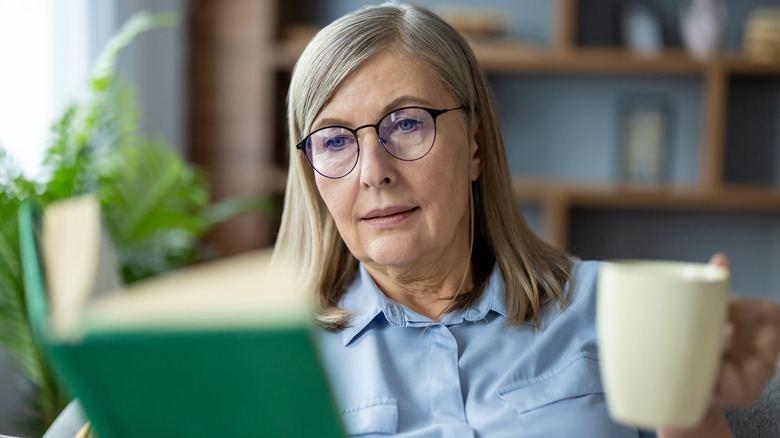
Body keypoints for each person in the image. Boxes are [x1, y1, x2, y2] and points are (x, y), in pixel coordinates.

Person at [272, 2, 780, 437]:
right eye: (335, 140)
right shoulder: (282, 360)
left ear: (475, 144)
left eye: (407, 123)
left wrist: (694, 394)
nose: (373, 173)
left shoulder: (613, 307)